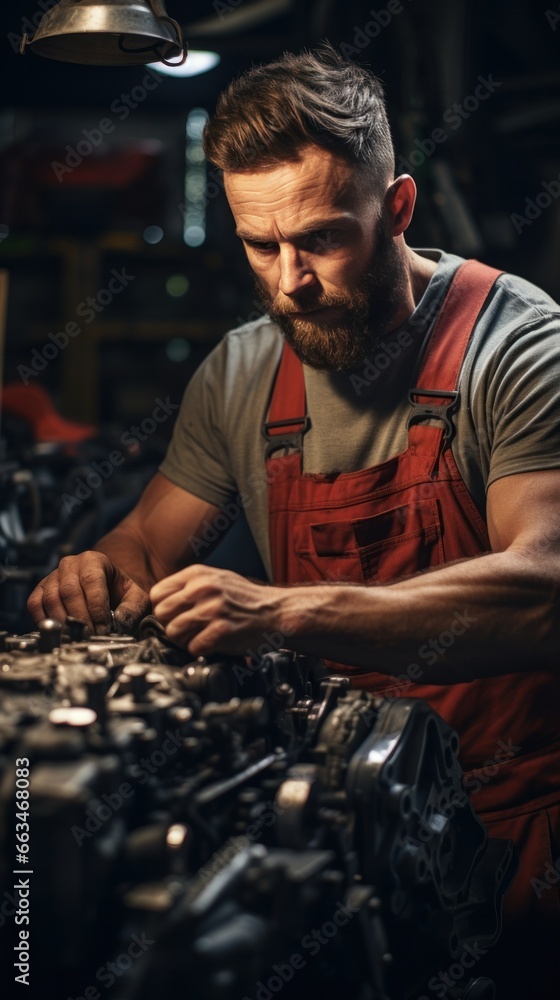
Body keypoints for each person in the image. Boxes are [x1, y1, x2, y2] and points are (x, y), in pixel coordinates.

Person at [28, 44, 560, 998]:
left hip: (521, 820)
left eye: (319, 239)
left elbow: (545, 593)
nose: (288, 283)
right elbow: (145, 541)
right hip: (341, 821)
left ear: (396, 209)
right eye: (257, 246)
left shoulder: (517, 345)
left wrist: (284, 613)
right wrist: (98, 568)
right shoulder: (241, 370)